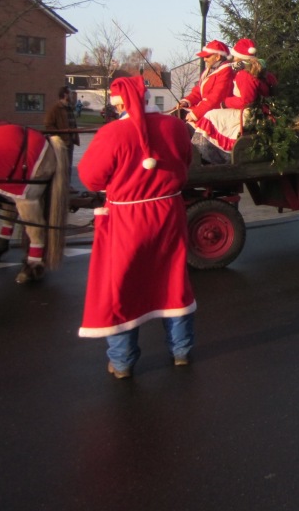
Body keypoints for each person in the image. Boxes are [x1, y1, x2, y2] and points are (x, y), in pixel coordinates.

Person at [77, 76, 196, 380]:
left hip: (127, 219)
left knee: (122, 285)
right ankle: (181, 350)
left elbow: (91, 178)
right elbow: (186, 162)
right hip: (168, 213)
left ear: (119, 104)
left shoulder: (112, 133)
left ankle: (122, 362)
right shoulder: (175, 127)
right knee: (173, 279)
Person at [192, 38, 274, 163]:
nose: (233, 59)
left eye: (235, 56)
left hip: (247, 114)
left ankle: (208, 154)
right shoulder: (255, 72)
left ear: (239, 57)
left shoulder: (244, 75)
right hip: (253, 111)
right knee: (213, 115)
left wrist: (225, 103)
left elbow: (247, 101)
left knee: (210, 116)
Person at [179, 40, 234, 125]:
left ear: (217, 57)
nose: (204, 59)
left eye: (207, 56)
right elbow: (198, 91)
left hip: (216, 114)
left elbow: (215, 98)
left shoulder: (226, 72)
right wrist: (186, 102)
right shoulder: (209, 70)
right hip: (207, 109)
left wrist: (195, 114)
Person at [44, 85, 80, 185]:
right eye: (70, 93)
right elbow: (48, 124)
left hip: (70, 141)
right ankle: (62, 186)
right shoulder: (55, 109)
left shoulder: (69, 108)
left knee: (68, 165)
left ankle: (67, 185)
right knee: (62, 166)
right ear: (65, 95)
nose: (72, 96)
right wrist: (59, 136)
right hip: (62, 142)